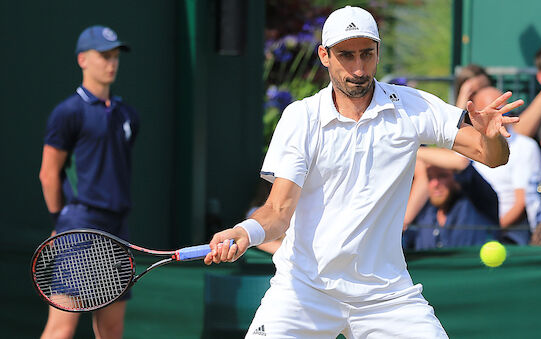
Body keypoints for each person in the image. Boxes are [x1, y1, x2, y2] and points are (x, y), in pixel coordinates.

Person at [203, 6, 522, 338]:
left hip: (387, 297)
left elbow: (491, 156)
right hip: (304, 290)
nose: (358, 68)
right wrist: (245, 232)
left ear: (378, 53)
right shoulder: (302, 117)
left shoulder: (413, 107)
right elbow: (278, 211)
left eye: (366, 54)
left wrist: (492, 136)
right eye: (346, 55)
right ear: (325, 55)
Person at [38, 25, 138, 339]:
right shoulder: (67, 113)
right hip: (79, 228)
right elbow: (48, 173)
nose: (112, 63)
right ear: (83, 59)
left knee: (111, 330)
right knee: (62, 328)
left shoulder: (127, 115)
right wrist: (61, 221)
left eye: (115, 56)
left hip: (117, 230)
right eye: (103, 56)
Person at [471, 86, 541, 244]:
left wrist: (490, 232)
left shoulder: (526, 147)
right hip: (469, 236)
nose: (498, 114)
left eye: (501, 108)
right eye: (490, 110)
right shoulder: (465, 146)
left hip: (507, 239)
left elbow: (521, 203)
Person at [403, 158, 499, 251]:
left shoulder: (478, 200)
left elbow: (461, 163)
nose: (435, 184)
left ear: (456, 178)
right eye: (429, 177)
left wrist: (415, 149)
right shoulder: (421, 211)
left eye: (442, 176)